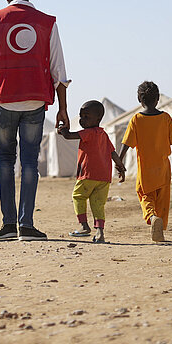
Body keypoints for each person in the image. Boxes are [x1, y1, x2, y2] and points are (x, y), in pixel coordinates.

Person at [0, 0, 69, 241]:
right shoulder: (47, 22)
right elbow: (58, 71)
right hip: (35, 100)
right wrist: (62, 108)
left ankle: (7, 226)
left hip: (4, 100)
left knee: (5, 162)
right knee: (29, 162)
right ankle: (26, 225)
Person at [116, 81, 172, 242]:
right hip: (164, 169)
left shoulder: (136, 120)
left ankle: (152, 218)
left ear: (139, 100)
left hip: (145, 170)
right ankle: (159, 230)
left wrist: (120, 163)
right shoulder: (165, 118)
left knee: (145, 196)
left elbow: (126, 145)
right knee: (162, 201)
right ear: (158, 99)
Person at [57, 100, 126, 243]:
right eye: (81, 116)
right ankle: (100, 233)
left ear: (98, 119)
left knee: (78, 196)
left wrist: (63, 129)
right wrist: (120, 167)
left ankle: (84, 226)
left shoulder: (88, 133)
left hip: (88, 174)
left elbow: (69, 136)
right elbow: (113, 153)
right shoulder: (104, 134)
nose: (82, 120)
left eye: (86, 117)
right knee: (98, 204)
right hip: (104, 177)